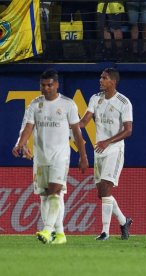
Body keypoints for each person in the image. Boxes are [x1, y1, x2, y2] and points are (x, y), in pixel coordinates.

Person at [12, 69, 89, 244]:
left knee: (55, 191)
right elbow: (28, 128)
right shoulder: (34, 105)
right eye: (43, 85)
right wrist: (20, 144)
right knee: (46, 195)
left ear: (56, 85)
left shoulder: (68, 104)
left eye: (49, 85)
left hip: (60, 157)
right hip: (41, 157)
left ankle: (47, 230)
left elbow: (77, 134)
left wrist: (83, 157)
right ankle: (60, 233)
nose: (46, 88)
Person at [80, 68, 133, 241]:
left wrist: (107, 141)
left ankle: (105, 232)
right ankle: (124, 221)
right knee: (102, 193)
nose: (100, 80)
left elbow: (128, 131)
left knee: (106, 189)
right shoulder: (96, 98)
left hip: (114, 150)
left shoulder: (124, 102)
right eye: (100, 77)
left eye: (104, 78)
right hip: (99, 151)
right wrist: (71, 124)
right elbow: (85, 121)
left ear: (113, 81)